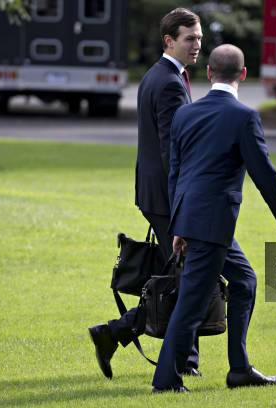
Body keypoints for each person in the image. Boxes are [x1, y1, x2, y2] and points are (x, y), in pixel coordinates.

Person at [151, 44, 276, 393]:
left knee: (245, 281)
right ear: (243, 75)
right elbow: (263, 171)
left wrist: (178, 224)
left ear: (209, 73)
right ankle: (165, 381)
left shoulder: (185, 115)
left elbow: (175, 173)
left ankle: (239, 369)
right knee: (191, 303)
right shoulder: (244, 117)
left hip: (194, 219)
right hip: (211, 224)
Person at [88, 8, 203, 379]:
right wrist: (184, 204)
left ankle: (184, 358)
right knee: (185, 279)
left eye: (199, 38)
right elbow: (173, 149)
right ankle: (115, 333)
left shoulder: (158, 75)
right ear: (169, 40)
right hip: (167, 198)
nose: (197, 44)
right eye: (190, 38)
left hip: (155, 194)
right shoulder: (168, 81)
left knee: (184, 275)